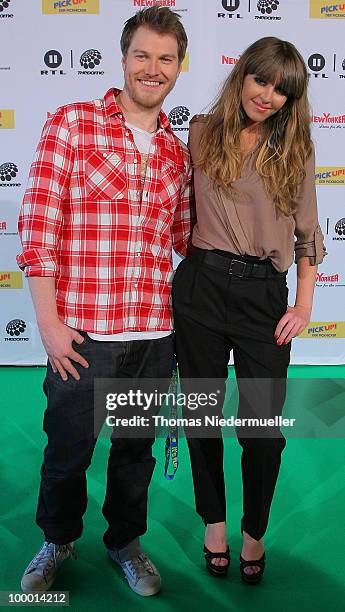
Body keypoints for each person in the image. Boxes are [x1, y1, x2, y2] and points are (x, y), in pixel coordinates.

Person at [17, 6, 193, 597]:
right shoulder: (70, 123)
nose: (152, 68)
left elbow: (184, 239)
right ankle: (57, 539)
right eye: (142, 55)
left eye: (165, 59)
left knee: (135, 454)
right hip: (82, 333)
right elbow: (39, 227)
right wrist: (48, 321)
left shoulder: (176, 151)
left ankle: (124, 543)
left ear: (178, 67)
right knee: (67, 450)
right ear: (123, 59)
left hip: (151, 333)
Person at [173, 37, 326, 584]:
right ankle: (214, 523)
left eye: (282, 89)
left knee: (262, 429)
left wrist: (305, 302)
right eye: (261, 80)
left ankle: (253, 532)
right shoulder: (198, 135)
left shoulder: (297, 150)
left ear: (292, 98)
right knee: (202, 416)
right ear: (242, 76)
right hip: (201, 288)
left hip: (264, 296)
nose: (267, 94)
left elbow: (308, 234)